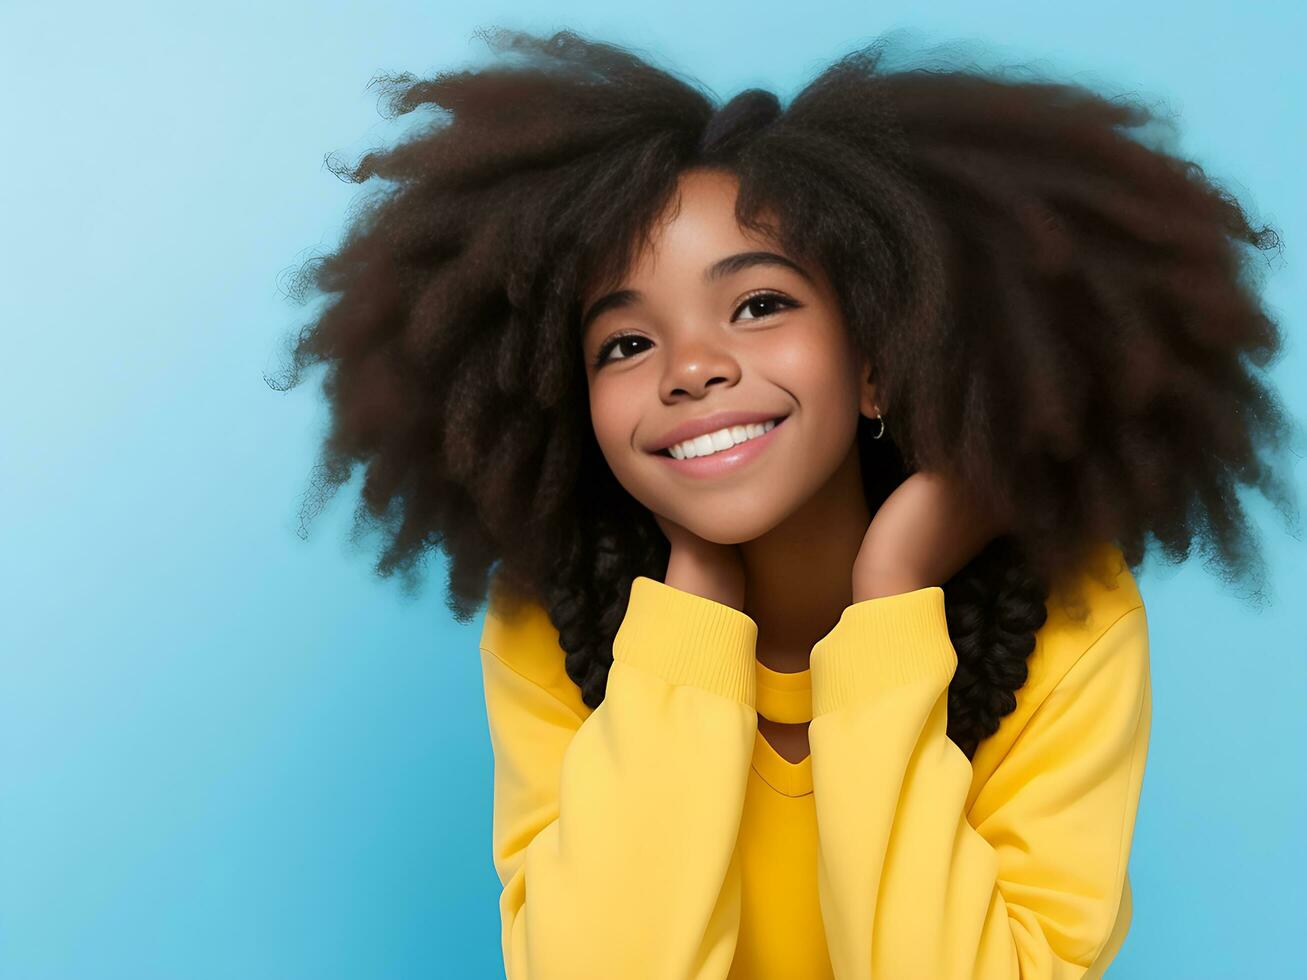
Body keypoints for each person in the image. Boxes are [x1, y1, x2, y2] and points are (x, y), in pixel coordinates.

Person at [269, 27, 1299, 979]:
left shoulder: (1068, 627)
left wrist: (890, 598)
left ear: (876, 364)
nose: (691, 368)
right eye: (624, 342)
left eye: (758, 303)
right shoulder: (547, 628)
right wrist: (696, 607)